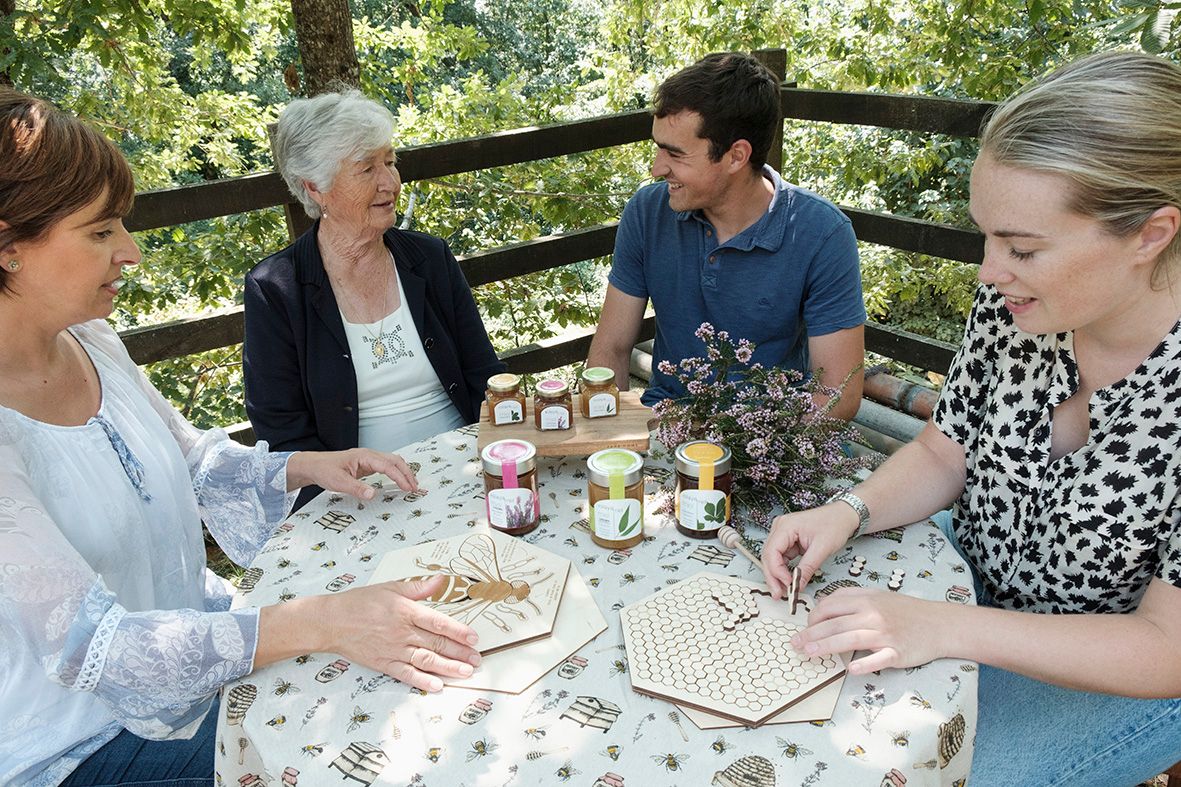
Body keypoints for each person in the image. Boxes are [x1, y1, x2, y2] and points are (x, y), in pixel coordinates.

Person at [0, 89, 482, 786]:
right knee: (363, 748)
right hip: (83, 738)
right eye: (101, 232)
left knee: (413, 674)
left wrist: (309, 464)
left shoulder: (92, 340)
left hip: (201, 636)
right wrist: (319, 620)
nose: (130, 253)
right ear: (9, 245)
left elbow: (193, 458)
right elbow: (95, 647)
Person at [760, 51, 1181, 785]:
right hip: (968, 578)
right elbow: (943, 450)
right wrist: (847, 509)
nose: (988, 271)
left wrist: (942, 627)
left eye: (1020, 247)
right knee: (801, 688)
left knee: (934, 771)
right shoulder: (1014, 302)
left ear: (1150, 233)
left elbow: (1164, 645)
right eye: (986, 235)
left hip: (1122, 666)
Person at [244, 90, 504, 508]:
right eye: (367, 169)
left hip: (465, 469)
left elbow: (484, 375)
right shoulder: (277, 288)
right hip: (357, 494)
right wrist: (344, 493)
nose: (392, 183)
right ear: (316, 188)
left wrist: (502, 455)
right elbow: (282, 434)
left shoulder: (429, 258)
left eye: (390, 160)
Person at [586, 52, 866, 418]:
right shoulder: (647, 212)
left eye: (676, 154)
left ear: (736, 156)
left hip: (775, 439)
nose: (657, 168)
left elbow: (836, 398)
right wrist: (611, 443)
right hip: (667, 422)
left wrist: (746, 453)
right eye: (658, 147)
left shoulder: (822, 233)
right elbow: (611, 349)